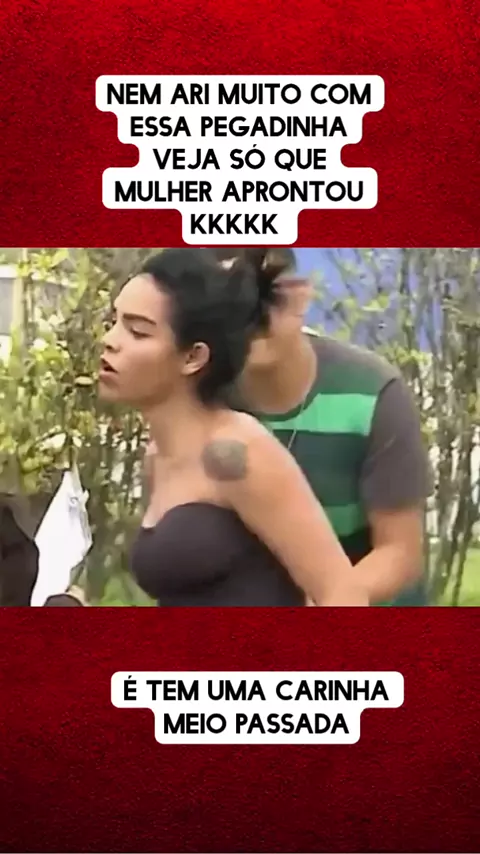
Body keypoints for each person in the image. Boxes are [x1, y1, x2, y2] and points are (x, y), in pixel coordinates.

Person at [98, 248, 369, 607]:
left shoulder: (238, 452)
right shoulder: (157, 458)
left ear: (193, 357)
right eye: (113, 321)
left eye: (137, 331)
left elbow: (342, 594)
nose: (110, 340)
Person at [212, 248, 432, 607]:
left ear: (299, 297)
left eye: (266, 294)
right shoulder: (202, 397)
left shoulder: (372, 393)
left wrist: (329, 600)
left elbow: (399, 552)